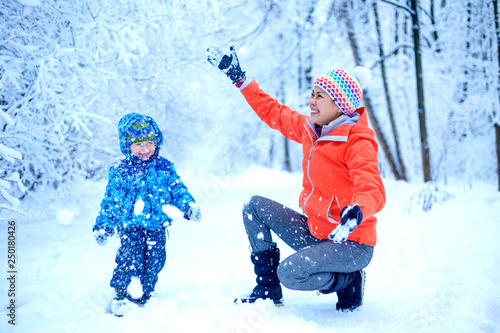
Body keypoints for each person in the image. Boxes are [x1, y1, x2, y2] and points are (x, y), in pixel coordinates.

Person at [207, 45, 385, 311]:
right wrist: (240, 80)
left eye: (320, 96)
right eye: (312, 94)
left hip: (351, 244)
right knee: (254, 206)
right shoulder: (310, 129)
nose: (311, 101)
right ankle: (267, 289)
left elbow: (372, 187)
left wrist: (357, 211)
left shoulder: (357, 140)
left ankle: (348, 279)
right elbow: (273, 112)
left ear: (340, 104)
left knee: (290, 273)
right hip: (317, 232)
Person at [92, 113, 201, 316]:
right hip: (130, 226)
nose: (145, 149)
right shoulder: (120, 171)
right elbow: (112, 201)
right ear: (128, 146)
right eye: (138, 145)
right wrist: (105, 225)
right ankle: (122, 294)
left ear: (156, 142)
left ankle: (143, 293)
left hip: (157, 226)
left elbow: (177, 189)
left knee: (155, 259)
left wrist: (187, 206)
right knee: (130, 259)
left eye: (149, 143)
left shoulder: (164, 167)